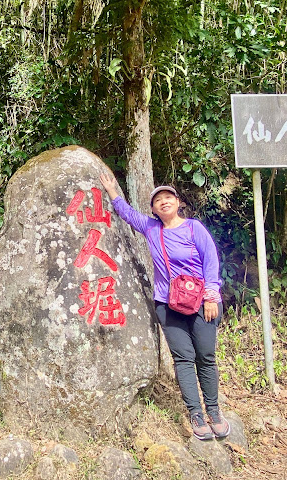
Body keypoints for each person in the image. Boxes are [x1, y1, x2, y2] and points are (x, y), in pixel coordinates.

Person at [100, 174, 230, 441]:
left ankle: (214, 411)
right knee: (183, 358)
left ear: (178, 202)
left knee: (205, 356)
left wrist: (211, 296)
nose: (163, 202)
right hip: (168, 304)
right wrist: (112, 191)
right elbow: (127, 214)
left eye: (168, 197)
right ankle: (196, 413)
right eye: (158, 200)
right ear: (153, 209)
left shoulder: (194, 228)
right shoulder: (151, 229)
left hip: (201, 303)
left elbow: (211, 261)